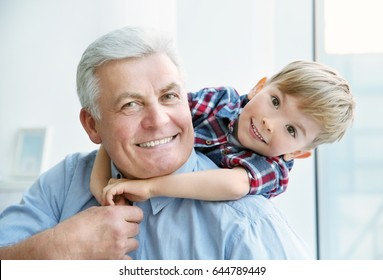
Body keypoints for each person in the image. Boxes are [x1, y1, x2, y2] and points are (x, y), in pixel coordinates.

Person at [1, 26, 319, 259]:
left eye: (169, 97)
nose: (159, 120)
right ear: (92, 125)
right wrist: (61, 249)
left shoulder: (249, 224)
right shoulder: (67, 180)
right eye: (130, 104)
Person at [90, 60, 354, 207]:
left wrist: (149, 187)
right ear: (259, 87)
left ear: (296, 152)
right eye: (275, 102)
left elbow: (233, 185)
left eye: (291, 129)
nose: (269, 123)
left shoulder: (272, 168)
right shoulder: (219, 101)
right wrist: (100, 183)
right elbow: (129, 128)